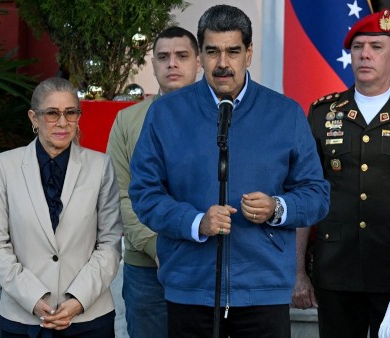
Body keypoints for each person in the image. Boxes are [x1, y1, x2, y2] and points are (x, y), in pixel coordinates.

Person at [128, 4, 330, 338]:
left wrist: (277, 208)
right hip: (190, 286)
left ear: (248, 54)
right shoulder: (166, 113)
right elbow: (145, 193)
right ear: (201, 56)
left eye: (233, 51)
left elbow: (316, 194)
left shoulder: (285, 113)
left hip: (262, 289)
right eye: (213, 52)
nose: (223, 63)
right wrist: (195, 222)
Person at [292, 9, 390, 338]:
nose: (365, 55)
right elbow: (306, 194)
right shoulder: (322, 113)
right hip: (336, 267)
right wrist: (298, 270)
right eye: (358, 47)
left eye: (376, 46)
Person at [0, 77, 122, 337]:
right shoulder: (3, 167)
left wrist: (78, 300)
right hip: (22, 317)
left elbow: (109, 243)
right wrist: (32, 299)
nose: (63, 122)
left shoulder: (100, 166)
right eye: (52, 113)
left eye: (71, 113)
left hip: (89, 316)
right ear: (34, 117)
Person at [106, 26, 201, 338]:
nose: (172, 63)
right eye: (163, 57)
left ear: (198, 61)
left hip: (206, 264)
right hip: (146, 269)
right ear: (153, 64)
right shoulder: (128, 121)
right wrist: (155, 246)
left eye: (182, 56)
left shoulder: (223, 116)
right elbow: (120, 194)